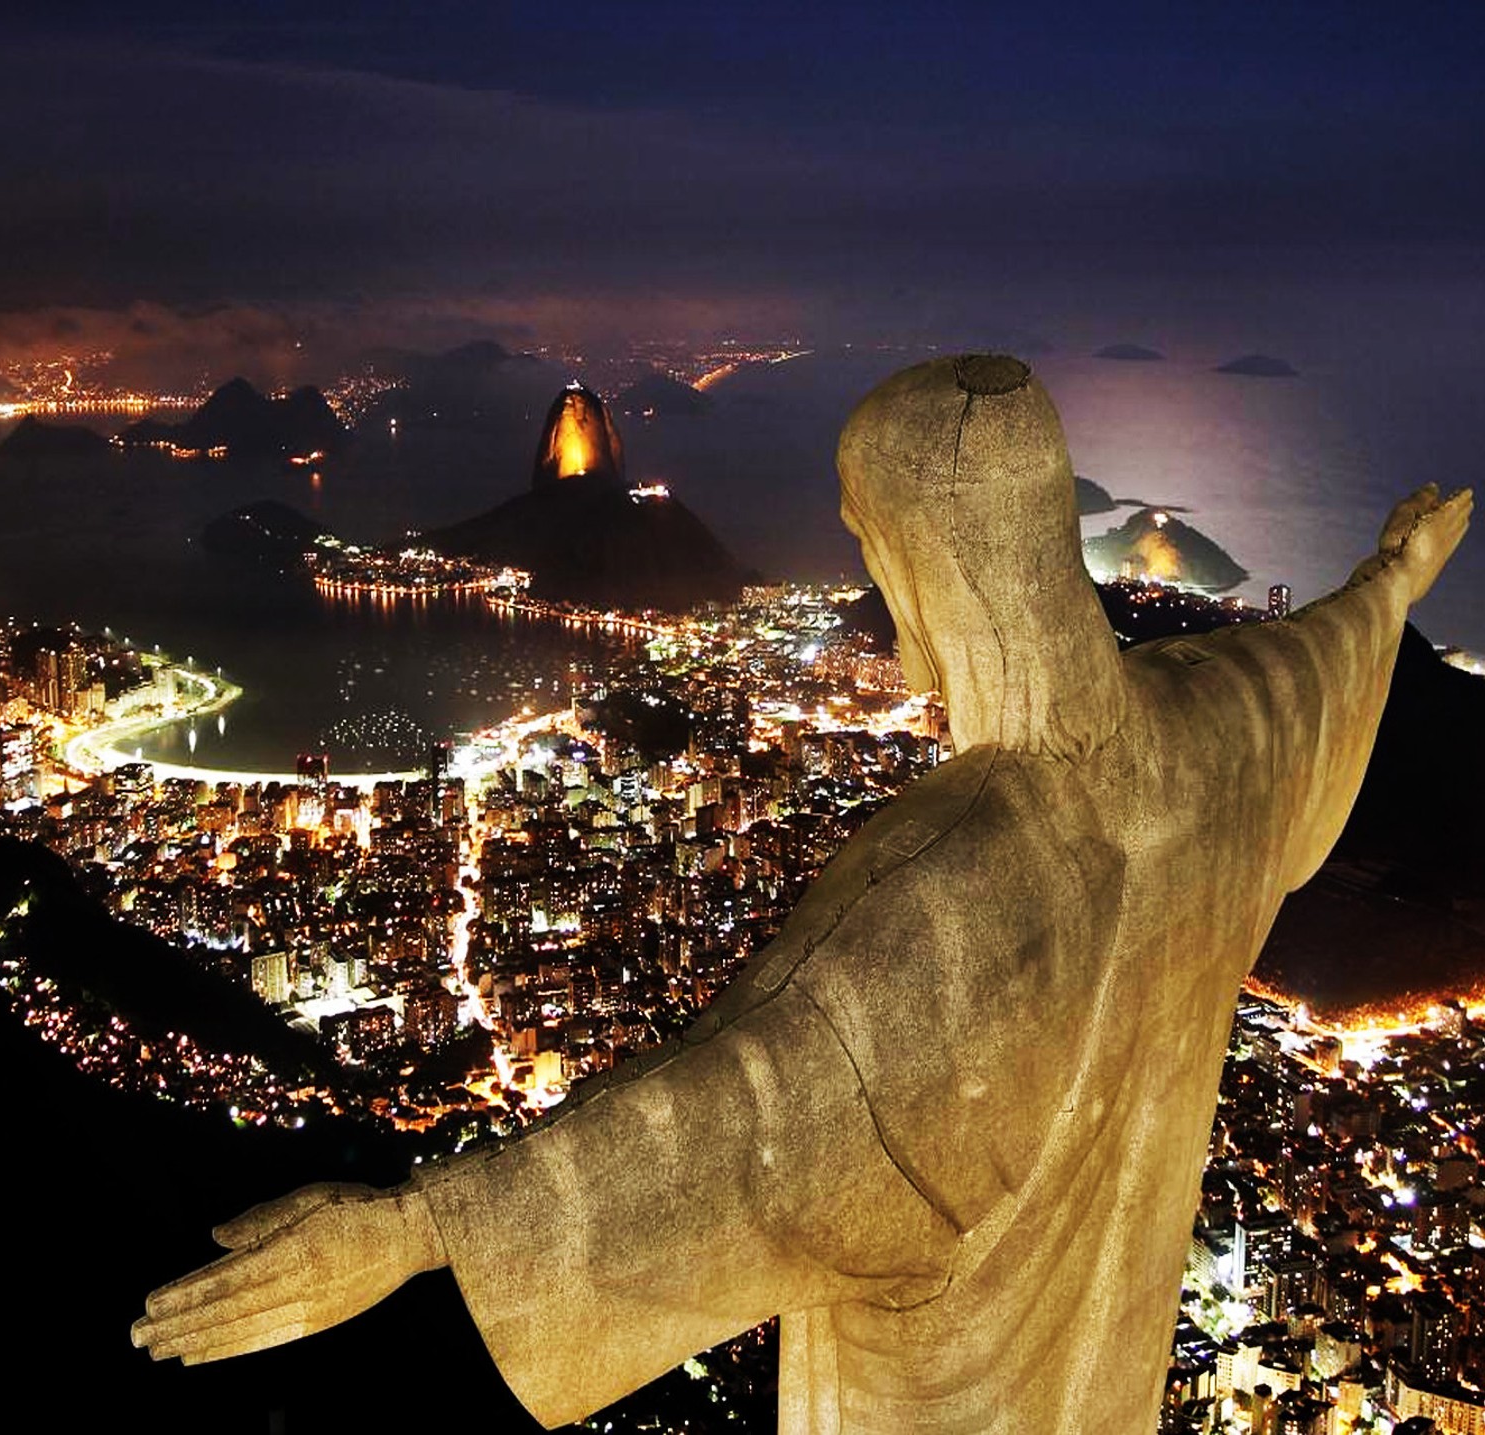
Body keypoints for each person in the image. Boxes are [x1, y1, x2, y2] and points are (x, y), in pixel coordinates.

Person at [134, 355, 1471, 1434]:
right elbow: (1327, 660)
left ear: (918, 568)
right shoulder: (1215, 726)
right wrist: (1395, 576)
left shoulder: (949, 880)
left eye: (875, 547)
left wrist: (421, 1229)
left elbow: (743, 1114)